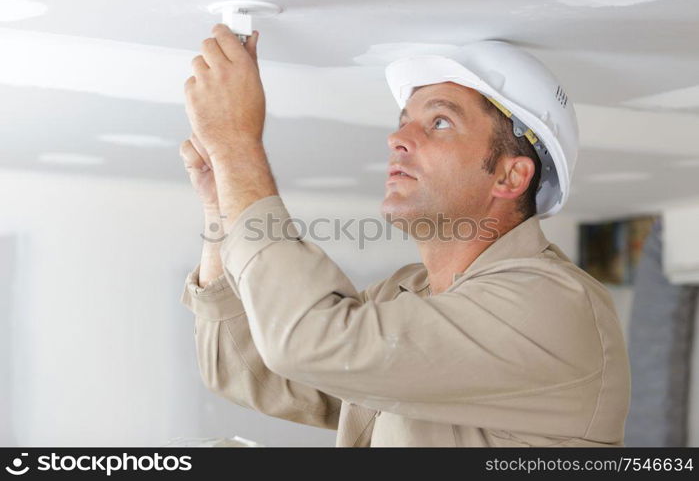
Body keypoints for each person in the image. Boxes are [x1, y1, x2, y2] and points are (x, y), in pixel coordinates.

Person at [178, 24, 630, 447]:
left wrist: (238, 145)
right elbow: (243, 369)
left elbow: (305, 340)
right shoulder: (407, 293)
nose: (398, 137)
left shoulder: (550, 304)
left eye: (439, 122)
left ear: (511, 177)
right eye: (404, 119)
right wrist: (221, 207)